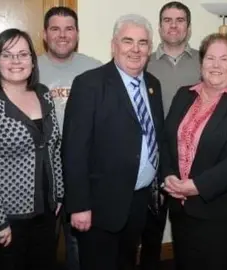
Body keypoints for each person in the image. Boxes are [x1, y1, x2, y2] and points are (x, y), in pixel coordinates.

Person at [62, 14, 164, 270]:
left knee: (127, 263)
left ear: (150, 48)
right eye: (128, 41)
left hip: (139, 202)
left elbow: (153, 136)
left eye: (143, 42)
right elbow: (74, 150)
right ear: (114, 45)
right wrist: (79, 205)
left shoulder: (153, 85)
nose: (135, 49)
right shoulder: (89, 84)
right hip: (99, 207)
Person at [0, 28, 64, 270]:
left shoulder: (43, 94)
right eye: (7, 55)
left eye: (23, 54)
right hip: (8, 220)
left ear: (32, 60)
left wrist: (59, 193)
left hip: (47, 213)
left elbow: (54, 148)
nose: (16, 61)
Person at [161, 33, 227, 270]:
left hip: (220, 214)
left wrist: (197, 186)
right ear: (201, 63)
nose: (216, 65)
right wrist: (167, 175)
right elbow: (166, 140)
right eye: (210, 58)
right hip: (180, 209)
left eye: (224, 59)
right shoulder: (183, 95)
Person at [38, 6, 101, 269]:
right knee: (42, 245)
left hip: (83, 172)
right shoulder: (29, 69)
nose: (62, 35)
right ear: (44, 34)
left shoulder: (95, 69)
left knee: (80, 244)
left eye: (69, 28)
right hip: (42, 174)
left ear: (77, 33)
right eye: (55, 28)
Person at [141, 3, 200, 268]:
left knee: (190, 231)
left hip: (195, 160)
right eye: (167, 20)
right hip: (153, 159)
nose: (173, 25)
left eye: (180, 20)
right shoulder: (143, 62)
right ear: (160, 26)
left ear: (189, 26)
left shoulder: (205, 61)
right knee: (151, 231)